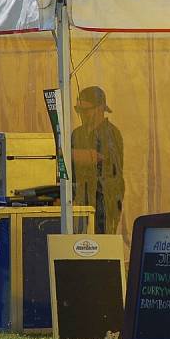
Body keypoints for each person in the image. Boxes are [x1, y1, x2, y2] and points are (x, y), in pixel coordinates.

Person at [71, 86, 124, 235]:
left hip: (105, 201)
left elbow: (106, 162)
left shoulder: (111, 133)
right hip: (80, 201)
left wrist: (70, 155)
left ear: (101, 108)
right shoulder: (77, 134)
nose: (82, 114)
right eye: (78, 110)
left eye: (85, 110)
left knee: (102, 245)